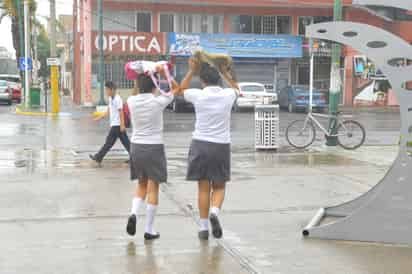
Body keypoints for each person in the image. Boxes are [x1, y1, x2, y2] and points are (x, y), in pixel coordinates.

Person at [179, 58, 238, 240]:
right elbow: (237, 88)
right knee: (219, 187)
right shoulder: (228, 95)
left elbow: (179, 91)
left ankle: (204, 229)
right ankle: (214, 212)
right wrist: (224, 71)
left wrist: (191, 71)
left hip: (200, 145)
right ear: (218, 79)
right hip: (220, 146)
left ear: (202, 81)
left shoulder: (198, 94)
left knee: (203, 189)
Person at [126, 72, 180, 240]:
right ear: (154, 86)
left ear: (138, 85)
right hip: (154, 147)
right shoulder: (158, 101)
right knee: (153, 187)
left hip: (135, 147)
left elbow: (136, 91)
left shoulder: (131, 101)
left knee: (141, 184)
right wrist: (167, 75)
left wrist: (138, 74)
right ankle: (149, 229)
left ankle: (133, 213)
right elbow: (178, 89)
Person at [90, 81, 130, 165]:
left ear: (112, 90)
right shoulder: (111, 98)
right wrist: (99, 117)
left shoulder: (117, 99)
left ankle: (98, 157)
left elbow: (121, 112)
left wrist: (122, 125)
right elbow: (109, 111)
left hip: (117, 125)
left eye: (107, 90)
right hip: (115, 124)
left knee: (108, 143)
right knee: (126, 143)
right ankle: (135, 158)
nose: (106, 92)